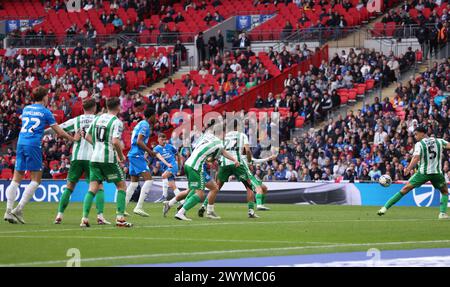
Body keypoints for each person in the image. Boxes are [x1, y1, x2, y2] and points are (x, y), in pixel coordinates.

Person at [4, 87, 80, 224]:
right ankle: (19, 209)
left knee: (16, 178)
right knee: (36, 180)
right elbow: (60, 132)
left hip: (21, 142)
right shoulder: (46, 112)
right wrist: (73, 139)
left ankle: (8, 211)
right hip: (33, 144)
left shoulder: (26, 109)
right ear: (44, 97)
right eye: (47, 96)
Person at [51, 98, 110, 225]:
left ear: (83, 108)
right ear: (94, 108)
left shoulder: (76, 120)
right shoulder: (98, 120)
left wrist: (72, 138)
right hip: (93, 159)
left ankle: (59, 215)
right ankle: (100, 216)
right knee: (98, 187)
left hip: (77, 157)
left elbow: (58, 129)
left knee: (69, 186)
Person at [378, 125, 450, 219]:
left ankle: (384, 208)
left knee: (404, 190)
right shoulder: (439, 141)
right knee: (444, 191)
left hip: (423, 173)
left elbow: (416, 157)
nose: (415, 137)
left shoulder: (420, 144)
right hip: (436, 173)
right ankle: (442, 213)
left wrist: (408, 169)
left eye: (416, 134)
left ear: (422, 133)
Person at [82, 97, 132, 227]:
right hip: (108, 159)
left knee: (92, 188)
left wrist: (98, 145)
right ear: (118, 107)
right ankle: (120, 219)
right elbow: (115, 141)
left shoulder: (97, 118)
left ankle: (84, 219)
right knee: (121, 186)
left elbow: (87, 136)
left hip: (94, 158)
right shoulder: (116, 122)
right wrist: (120, 156)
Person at [174, 131, 240, 221]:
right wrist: (233, 160)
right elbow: (213, 158)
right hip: (196, 167)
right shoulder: (219, 144)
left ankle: (178, 207)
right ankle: (181, 212)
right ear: (222, 133)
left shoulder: (206, 136)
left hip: (188, 164)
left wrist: (233, 159)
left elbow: (204, 150)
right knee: (199, 194)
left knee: (194, 190)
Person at [124, 108, 158, 217]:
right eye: (154, 116)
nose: (155, 118)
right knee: (149, 180)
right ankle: (139, 207)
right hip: (136, 155)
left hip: (134, 154)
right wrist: (150, 152)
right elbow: (139, 141)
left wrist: (144, 155)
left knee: (134, 183)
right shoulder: (145, 125)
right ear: (151, 116)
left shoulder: (140, 123)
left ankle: (122, 208)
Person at [153, 133, 181, 203]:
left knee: (164, 176)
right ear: (158, 139)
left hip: (173, 165)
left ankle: (164, 196)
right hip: (167, 167)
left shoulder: (170, 147)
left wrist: (179, 167)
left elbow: (178, 155)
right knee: (172, 185)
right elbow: (161, 158)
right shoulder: (156, 149)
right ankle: (182, 201)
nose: (163, 141)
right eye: (162, 140)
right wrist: (167, 164)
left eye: (164, 140)